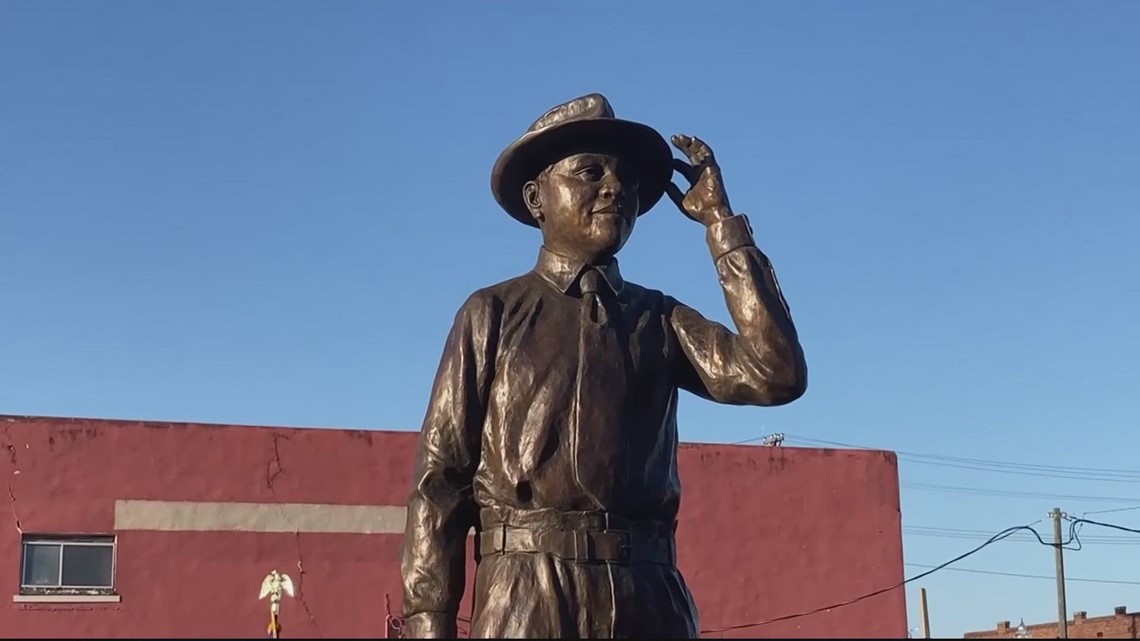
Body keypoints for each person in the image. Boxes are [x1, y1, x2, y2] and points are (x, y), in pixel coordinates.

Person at [399, 93, 807, 639]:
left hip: (648, 594)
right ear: (536, 197)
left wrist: (720, 225)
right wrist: (430, 623)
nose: (615, 189)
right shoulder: (491, 312)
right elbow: (440, 481)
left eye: (627, 180)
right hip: (527, 592)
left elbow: (774, 374)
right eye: (589, 172)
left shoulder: (658, 318)